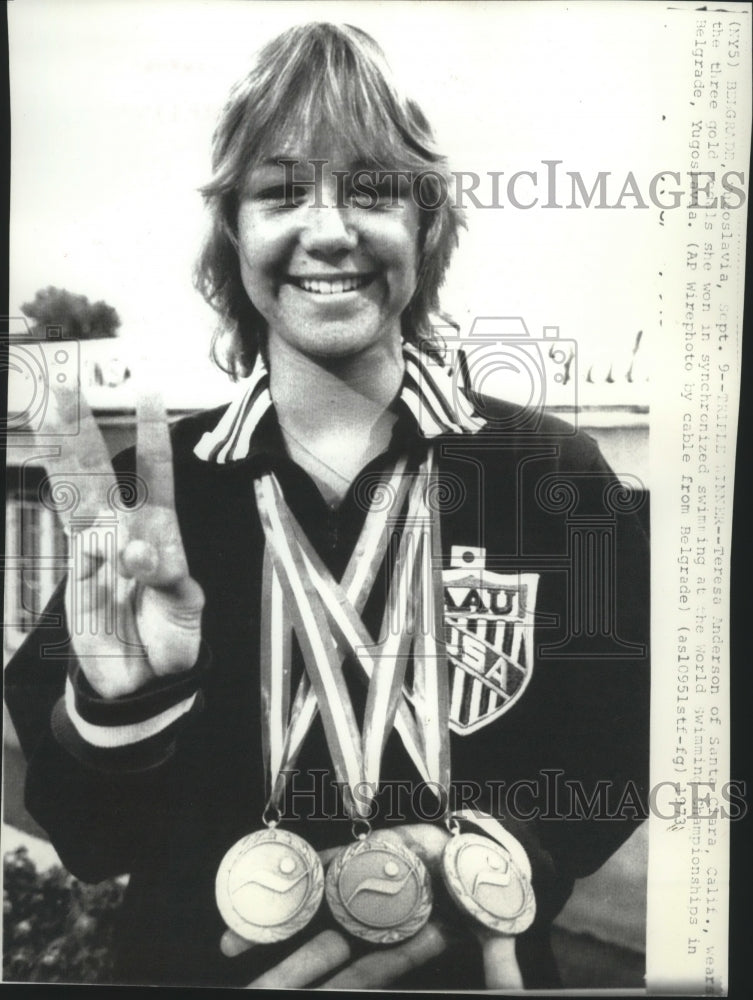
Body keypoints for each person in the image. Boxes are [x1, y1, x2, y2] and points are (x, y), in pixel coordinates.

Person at [5, 22, 650, 990]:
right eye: (281, 190)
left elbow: (623, 748)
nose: (330, 227)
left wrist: (505, 857)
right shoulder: (157, 500)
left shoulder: (551, 473)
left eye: (372, 188)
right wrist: (118, 704)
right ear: (235, 231)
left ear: (426, 223)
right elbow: (89, 838)